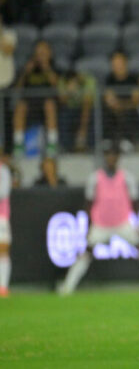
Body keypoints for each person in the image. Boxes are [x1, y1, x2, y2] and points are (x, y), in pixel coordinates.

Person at [58, 140, 139, 295]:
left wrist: (137, 224)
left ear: (118, 157)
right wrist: (88, 227)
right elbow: (88, 204)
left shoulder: (127, 177)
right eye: (109, 155)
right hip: (101, 224)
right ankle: (67, 288)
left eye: (114, 155)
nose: (111, 158)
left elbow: (135, 203)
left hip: (122, 223)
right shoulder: (95, 178)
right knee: (86, 253)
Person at [13, 40, 59, 158]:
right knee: (20, 106)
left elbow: (57, 86)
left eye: (44, 52)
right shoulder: (28, 66)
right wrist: (25, 73)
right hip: (30, 102)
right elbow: (18, 88)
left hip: (47, 102)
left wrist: (46, 68)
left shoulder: (53, 66)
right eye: (39, 52)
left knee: (49, 105)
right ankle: (18, 144)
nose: (41, 55)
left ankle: (52, 144)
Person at [103, 51, 139, 148]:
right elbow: (108, 99)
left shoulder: (133, 79)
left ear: (125, 63)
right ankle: (108, 140)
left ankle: (128, 141)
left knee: (129, 113)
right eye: (114, 63)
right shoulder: (109, 79)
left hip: (130, 109)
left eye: (119, 62)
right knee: (106, 111)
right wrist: (116, 104)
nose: (117, 65)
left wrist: (121, 104)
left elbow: (136, 100)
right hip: (114, 110)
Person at [57, 69, 95, 152]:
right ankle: (65, 147)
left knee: (93, 116)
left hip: (86, 109)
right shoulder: (63, 80)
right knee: (63, 115)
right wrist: (69, 92)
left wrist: (83, 128)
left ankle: (91, 146)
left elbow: (87, 104)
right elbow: (62, 101)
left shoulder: (88, 81)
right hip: (70, 109)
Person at [0, 157, 11, 297]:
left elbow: (3, 192)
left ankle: (3, 287)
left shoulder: (3, 171)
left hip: (1, 217)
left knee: (2, 250)